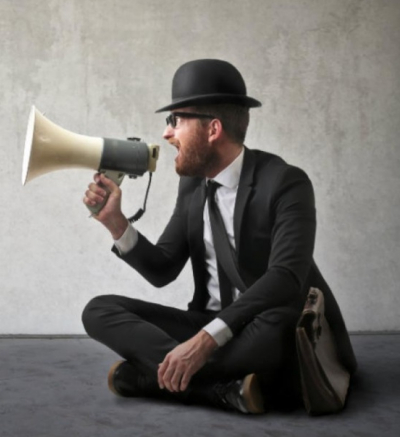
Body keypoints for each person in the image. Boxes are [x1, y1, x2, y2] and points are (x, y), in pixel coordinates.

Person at [81, 59, 356, 414]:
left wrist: (206, 341)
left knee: (279, 322)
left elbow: (286, 278)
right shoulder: (193, 184)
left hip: (261, 326)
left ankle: (152, 377)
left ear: (213, 129)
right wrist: (116, 223)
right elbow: (163, 269)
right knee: (99, 310)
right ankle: (221, 390)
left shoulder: (287, 182)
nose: (167, 134)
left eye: (175, 120)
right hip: (208, 326)